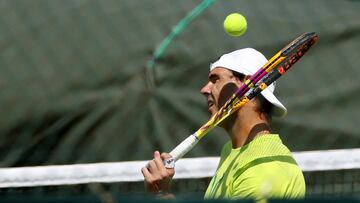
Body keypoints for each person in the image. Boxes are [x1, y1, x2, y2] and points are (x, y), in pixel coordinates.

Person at [141, 48, 306, 201]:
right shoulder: (232, 150)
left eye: (215, 79)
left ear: (246, 85)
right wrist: (161, 193)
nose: (204, 89)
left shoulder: (265, 169)